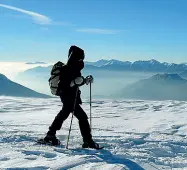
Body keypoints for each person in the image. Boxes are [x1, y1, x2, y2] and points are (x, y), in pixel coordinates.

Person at [44, 45, 100, 149]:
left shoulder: (74, 67)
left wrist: (84, 81)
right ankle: (87, 141)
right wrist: (75, 82)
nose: (82, 59)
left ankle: (50, 135)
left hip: (70, 97)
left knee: (64, 114)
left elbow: (75, 81)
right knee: (81, 117)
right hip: (68, 97)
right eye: (80, 57)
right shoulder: (68, 68)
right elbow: (65, 85)